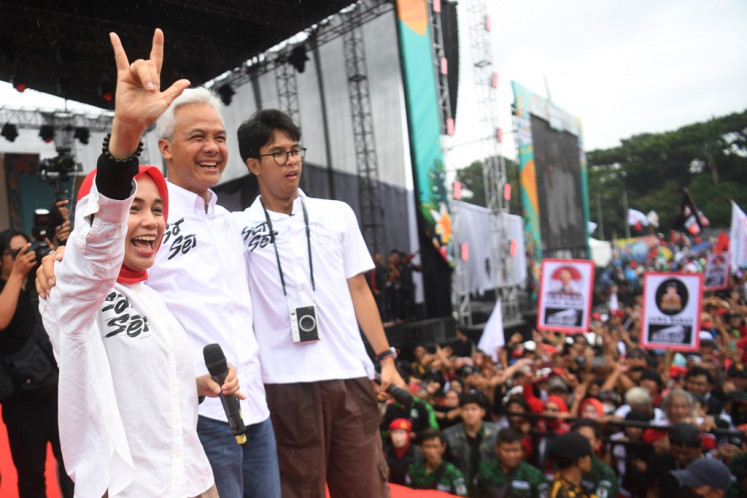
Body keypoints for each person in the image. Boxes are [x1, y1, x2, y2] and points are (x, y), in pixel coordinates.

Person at [36, 31, 281, 498]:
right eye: (134, 206)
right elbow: (95, 251)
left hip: (203, 450)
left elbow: (150, 387)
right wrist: (126, 135)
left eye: (156, 209)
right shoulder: (78, 293)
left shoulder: (155, 299)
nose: (150, 221)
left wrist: (199, 385)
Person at [233, 108, 405, 497]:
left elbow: (360, 290)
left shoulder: (336, 214)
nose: (291, 160)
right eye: (278, 153)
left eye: (295, 150)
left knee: (366, 489)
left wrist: (386, 359)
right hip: (280, 383)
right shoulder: (237, 229)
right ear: (253, 164)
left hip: (349, 376)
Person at [0, 229, 73, 498]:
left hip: (56, 390)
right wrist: (17, 274)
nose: (25, 255)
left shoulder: (40, 281)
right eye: (16, 252)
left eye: (27, 248)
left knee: (71, 467)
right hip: (21, 400)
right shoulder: (6, 285)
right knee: (31, 475)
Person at [442, 391, 501, 495]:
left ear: (482, 412)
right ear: (460, 412)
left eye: (474, 409)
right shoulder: (449, 435)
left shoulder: (497, 433)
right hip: (460, 487)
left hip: (490, 487)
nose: (470, 413)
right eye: (465, 409)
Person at [473, 427, 549, 498]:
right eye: (507, 450)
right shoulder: (485, 471)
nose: (511, 455)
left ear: (522, 450)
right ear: (496, 448)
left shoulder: (534, 475)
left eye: (515, 450)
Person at [404, 428, 468, 496]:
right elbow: (406, 494)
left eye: (435, 447)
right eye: (427, 447)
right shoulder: (414, 469)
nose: (432, 452)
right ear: (421, 447)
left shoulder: (453, 473)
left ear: (443, 447)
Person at [572, 419, 619, 498]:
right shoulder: (563, 464)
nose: (581, 443)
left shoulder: (605, 473)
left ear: (597, 443)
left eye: (587, 440)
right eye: (577, 438)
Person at [548, 432, 595, 498]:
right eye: (589, 455)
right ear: (580, 461)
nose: (590, 459)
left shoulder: (577, 488)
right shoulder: (561, 493)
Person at [383, 418, 421, 486]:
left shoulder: (417, 452)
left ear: (408, 435)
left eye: (401, 433)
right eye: (394, 433)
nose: (398, 437)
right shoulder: (386, 452)